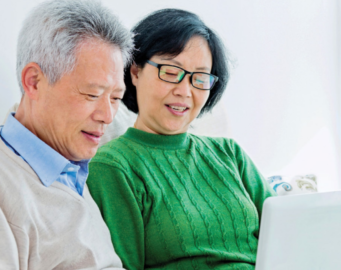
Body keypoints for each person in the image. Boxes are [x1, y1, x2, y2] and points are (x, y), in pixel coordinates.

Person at [0, 0, 133, 269]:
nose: (107, 116)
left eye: (115, 98)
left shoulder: (70, 172)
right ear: (34, 81)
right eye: (92, 94)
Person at [87, 9, 276, 270]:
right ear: (135, 72)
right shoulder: (113, 167)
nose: (184, 91)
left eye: (199, 78)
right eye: (170, 71)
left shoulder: (230, 154)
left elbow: (289, 231)